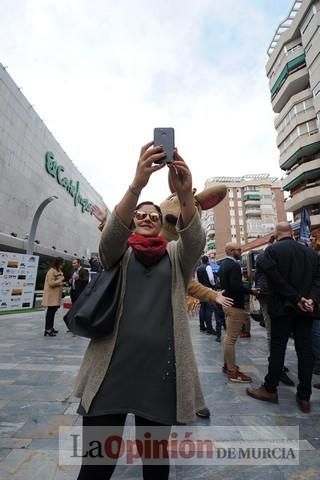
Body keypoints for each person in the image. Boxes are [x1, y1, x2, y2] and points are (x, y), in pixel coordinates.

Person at [75, 141, 207, 479]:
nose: (147, 217)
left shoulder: (176, 256)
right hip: (110, 377)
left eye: (154, 215)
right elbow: (108, 241)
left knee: (155, 466)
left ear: (162, 224)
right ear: (132, 223)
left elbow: (195, 242)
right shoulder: (120, 254)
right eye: (140, 215)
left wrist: (186, 194)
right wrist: (138, 185)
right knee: (96, 467)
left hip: (159, 379)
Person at [247, 222, 320, 413]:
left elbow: (276, 280)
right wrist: (310, 300)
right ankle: (304, 396)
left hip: (282, 309)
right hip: (306, 310)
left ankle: (270, 388)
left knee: (278, 348)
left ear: (277, 234)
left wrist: (295, 298)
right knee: (305, 352)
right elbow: (317, 281)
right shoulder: (311, 253)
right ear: (293, 234)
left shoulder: (272, 252)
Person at [255, 238, 295, 387]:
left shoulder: (266, 257)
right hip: (270, 297)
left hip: (276, 297)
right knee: (272, 332)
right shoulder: (264, 257)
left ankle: (277, 364)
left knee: (275, 333)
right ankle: (277, 365)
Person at [218, 243, 259, 383]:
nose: (240, 251)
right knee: (231, 339)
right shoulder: (234, 265)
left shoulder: (223, 264)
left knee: (228, 337)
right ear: (230, 251)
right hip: (235, 305)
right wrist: (250, 290)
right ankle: (232, 371)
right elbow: (236, 286)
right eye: (238, 249)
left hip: (227, 304)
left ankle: (227, 365)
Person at [42, 257, 64, 337]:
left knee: (53, 312)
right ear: (58, 263)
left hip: (55, 295)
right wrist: (60, 280)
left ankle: (50, 327)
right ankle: (47, 329)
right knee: (50, 312)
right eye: (62, 263)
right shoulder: (51, 271)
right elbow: (51, 283)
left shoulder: (58, 271)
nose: (63, 264)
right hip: (51, 296)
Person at [196, 255, 216, 335]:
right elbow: (211, 279)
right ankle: (209, 328)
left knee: (202, 308)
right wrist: (213, 285)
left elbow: (197, 281)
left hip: (201, 290)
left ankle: (202, 326)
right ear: (207, 260)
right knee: (209, 309)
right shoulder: (208, 267)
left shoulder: (198, 269)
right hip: (208, 290)